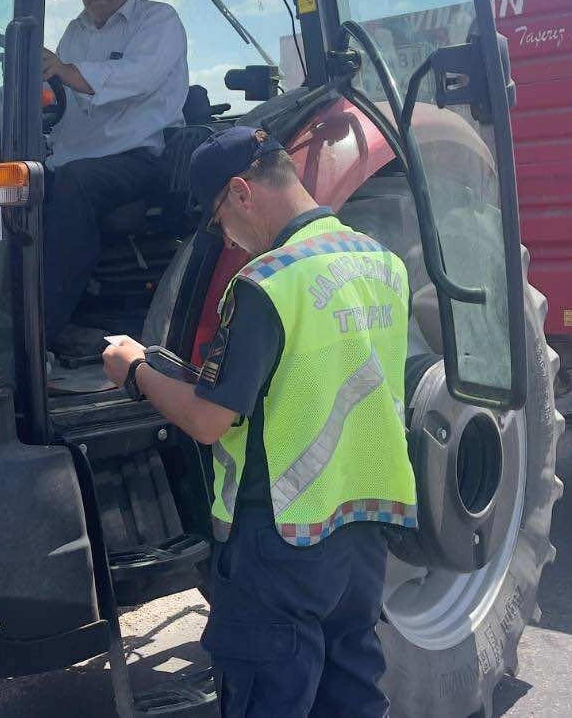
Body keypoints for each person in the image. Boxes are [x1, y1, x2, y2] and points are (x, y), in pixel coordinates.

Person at [102, 126, 418, 718]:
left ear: (243, 192)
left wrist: (136, 370)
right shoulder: (383, 263)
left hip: (282, 539)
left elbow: (207, 420)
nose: (227, 236)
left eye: (219, 218)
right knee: (350, 693)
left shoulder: (268, 282)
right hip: (362, 535)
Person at [41, 0, 189, 355]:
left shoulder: (158, 21)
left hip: (140, 157)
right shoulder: (77, 31)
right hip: (76, 155)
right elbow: (62, 95)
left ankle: (41, 332)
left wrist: (63, 71)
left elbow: (138, 79)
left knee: (74, 185)